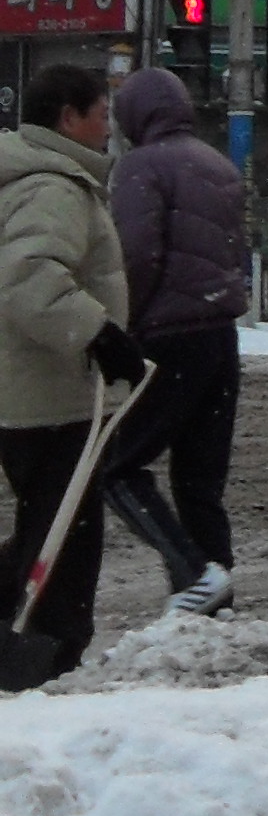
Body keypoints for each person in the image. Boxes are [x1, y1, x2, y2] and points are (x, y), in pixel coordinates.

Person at [0, 64, 146, 692]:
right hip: (47, 394)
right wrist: (99, 334)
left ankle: (40, 646)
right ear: (68, 117)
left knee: (48, 525)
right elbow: (29, 277)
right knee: (63, 534)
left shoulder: (34, 173)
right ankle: (48, 657)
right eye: (100, 114)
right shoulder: (55, 187)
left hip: (32, 386)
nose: (107, 128)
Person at [100, 63, 250, 620]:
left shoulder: (140, 167)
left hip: (170, 337)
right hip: (220, 336)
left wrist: (124, 325)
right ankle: (216, 601)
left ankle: (193, 573)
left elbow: (137, 255)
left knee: (117, 466)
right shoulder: (217, 164)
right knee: (199, 479)